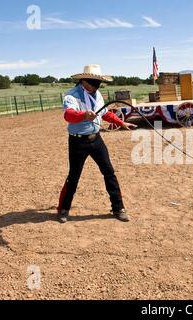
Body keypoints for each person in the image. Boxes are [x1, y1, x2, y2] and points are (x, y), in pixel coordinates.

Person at [57, 65, 137, 223]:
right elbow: (68, 115)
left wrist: (121, 122)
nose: (97, 85)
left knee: (109, 172)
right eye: (94, 82)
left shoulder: (97, 94)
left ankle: (118, 207)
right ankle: (63, 209)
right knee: (73, 176)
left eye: (98, 82)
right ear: (84, 80)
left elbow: (104, 113)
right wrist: (84, 114)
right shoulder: (72, 96)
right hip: (77, 141)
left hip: (96, 139)